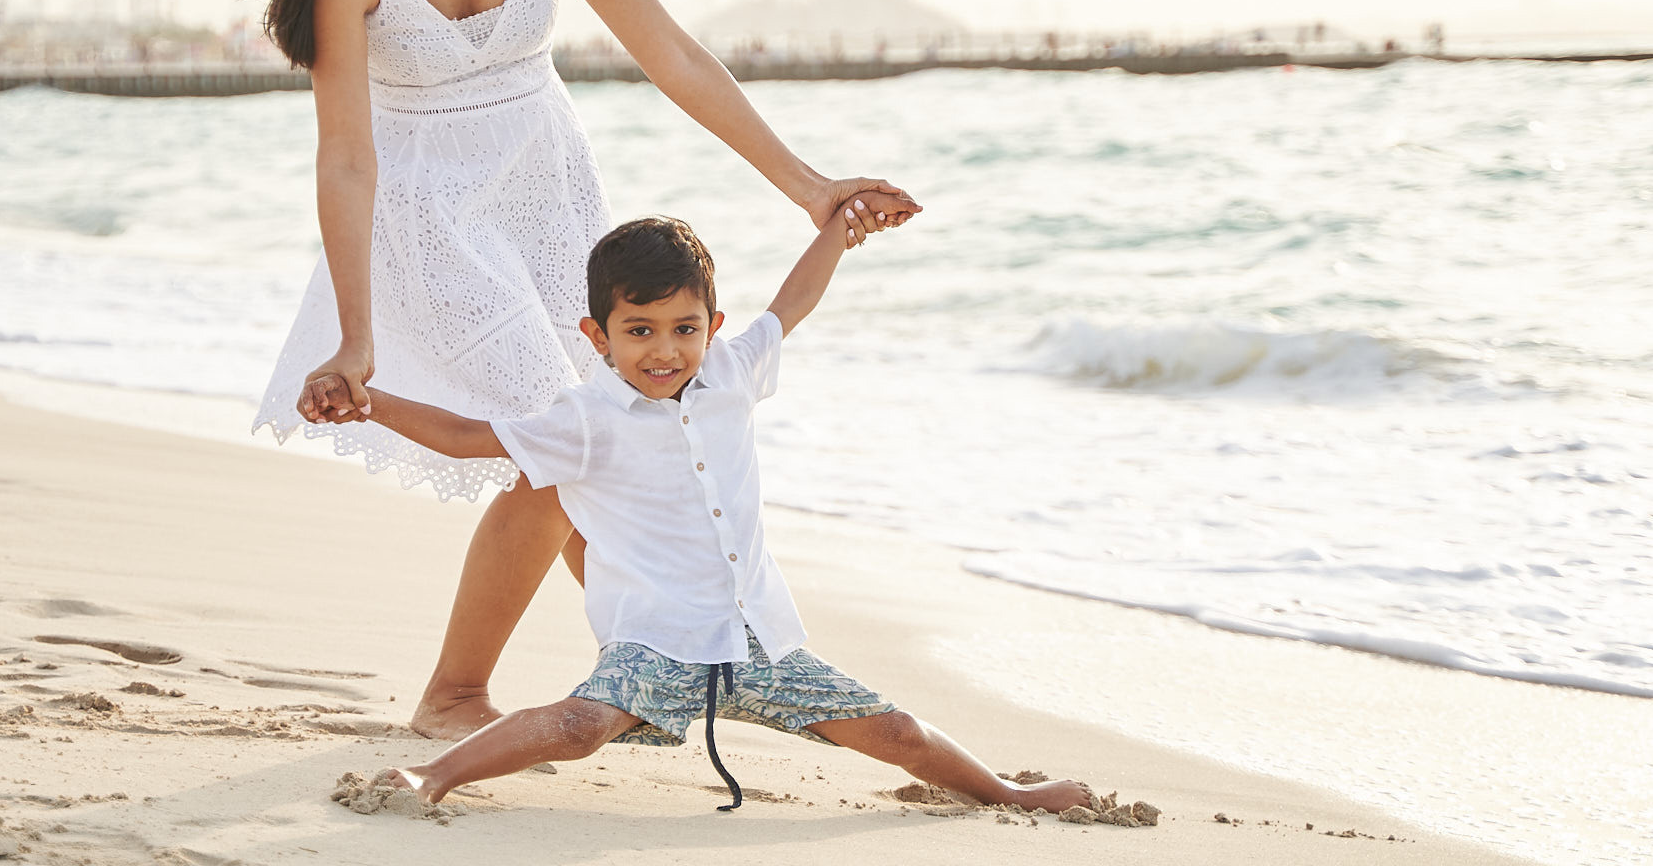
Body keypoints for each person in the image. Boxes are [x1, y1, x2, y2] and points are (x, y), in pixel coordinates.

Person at [251, 0, 921, 740]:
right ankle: (456, 693)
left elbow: (674, 55)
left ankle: (652, 659)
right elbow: (343, 156)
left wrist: (807, 185)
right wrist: (356, 331)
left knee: (606, 426)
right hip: (427, 211)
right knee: (551, 443)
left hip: (549, 183)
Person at [324, 213, 1101, 816]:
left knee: (895, 733)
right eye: (639, 332)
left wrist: (842, 224)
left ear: (713, 327)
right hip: (656, 649)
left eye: (684, 329)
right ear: (597, 337)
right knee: (575, 729)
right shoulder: (585, 419)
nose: (664, 351)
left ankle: (1006, 793)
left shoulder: (734, 372)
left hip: (761, 647)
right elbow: (465, 438)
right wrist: (370, 403)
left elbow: (793, 301)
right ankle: (433, 774)